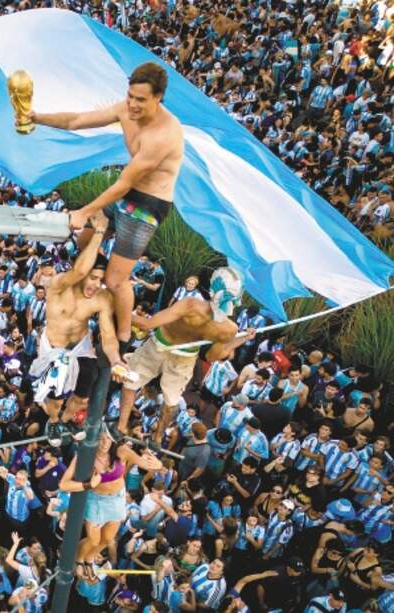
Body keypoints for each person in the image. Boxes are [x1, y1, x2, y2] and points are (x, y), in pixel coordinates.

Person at [31, 62, 184, 347]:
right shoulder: (125, 109)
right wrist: (37, 117)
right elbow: (77, 120)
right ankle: (90, 284)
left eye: (140, 99)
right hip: (126, 194)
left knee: (116, 280)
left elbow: (124, 182)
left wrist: (85, 211)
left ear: (158, 97)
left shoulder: (164, 134)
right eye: (130, 96)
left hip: (148, 205)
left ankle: (124, 332)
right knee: (84, 240)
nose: (133, 104)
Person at [120, 267, 254, 439]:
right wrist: (239, 339)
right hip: (184, 358)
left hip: (159, 345)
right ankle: (158, 438)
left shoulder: (190, 304)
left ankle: (121, 426)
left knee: (130, 383)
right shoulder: (230, 328)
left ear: (212, 289)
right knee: (171, 401)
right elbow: (210, 357)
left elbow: (147, 324)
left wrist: (118, 308)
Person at [29, 211, 126, 445]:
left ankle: (70, 419)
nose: (95, 284)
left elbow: (108, 336)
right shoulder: (59, 285)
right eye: (93, 278)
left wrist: (116, 361)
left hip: (80, 347)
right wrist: (99, 232)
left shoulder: (102, 298)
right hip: (54, 347)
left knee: (83, 397)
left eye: (100, 280)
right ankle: (53, 422)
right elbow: (80, 271)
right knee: (55, 398)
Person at [59, 428, 162, 563]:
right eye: (101, 438)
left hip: (117, 498)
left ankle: (89, 559)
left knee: (108, 539)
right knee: (94, 540)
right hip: (96, 500)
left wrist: (158, 464)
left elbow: (148, 465)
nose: (105, 442)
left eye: (108, 438)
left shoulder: (122, 450)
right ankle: (79, 560)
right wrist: (88, 485)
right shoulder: (85, 456)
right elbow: (63, 484)